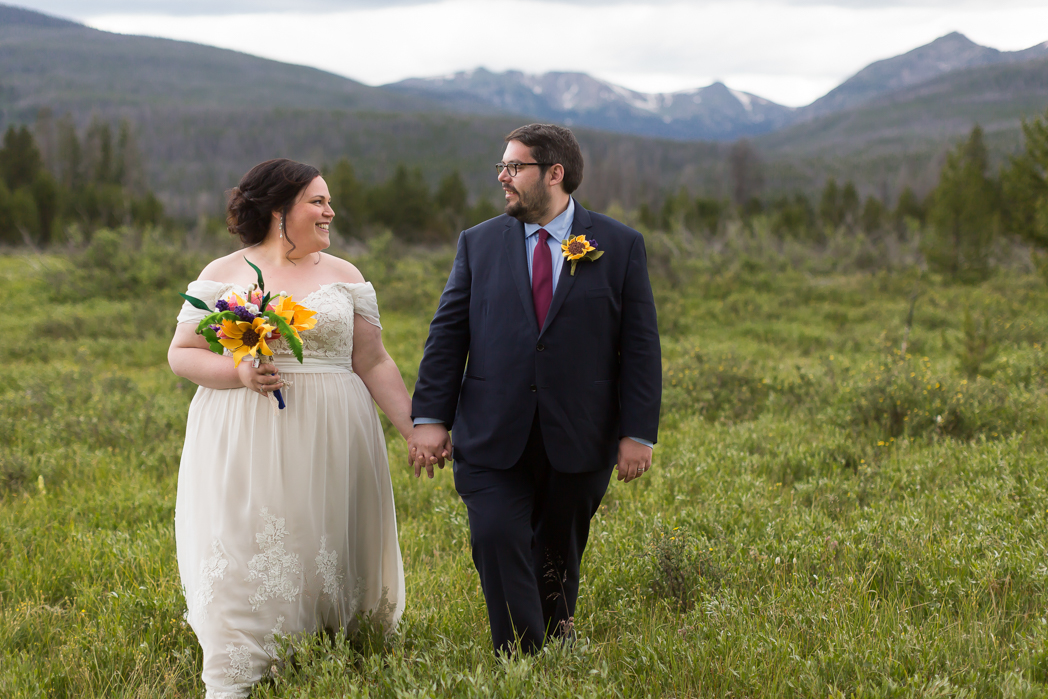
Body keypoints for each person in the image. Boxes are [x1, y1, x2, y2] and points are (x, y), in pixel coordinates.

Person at [409, 124, 662, 653]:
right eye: (501, 166)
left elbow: (639, 347)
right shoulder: (478, 243)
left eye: (514, 167)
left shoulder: (618, 245)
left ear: (554, 173)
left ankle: (556, 631)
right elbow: (448, 332)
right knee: (497, 536)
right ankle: (523, 658)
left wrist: (638, 432)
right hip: (491, 427)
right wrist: (430, 418)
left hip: (580, 432)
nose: (502, 177)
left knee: (556, 550)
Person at [169, 159, 411, 698]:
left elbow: (373, 361)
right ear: (280, 209)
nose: (330, 211)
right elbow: (181, 354)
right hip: (245, 426)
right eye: (318, 202)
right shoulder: (224, 273)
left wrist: (416, 430)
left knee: (322, 529)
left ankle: (333, 645)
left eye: (328, 202)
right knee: (247, 533)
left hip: (335, 431)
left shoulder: (345, 276)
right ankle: (238, 660)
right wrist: (238, 370)